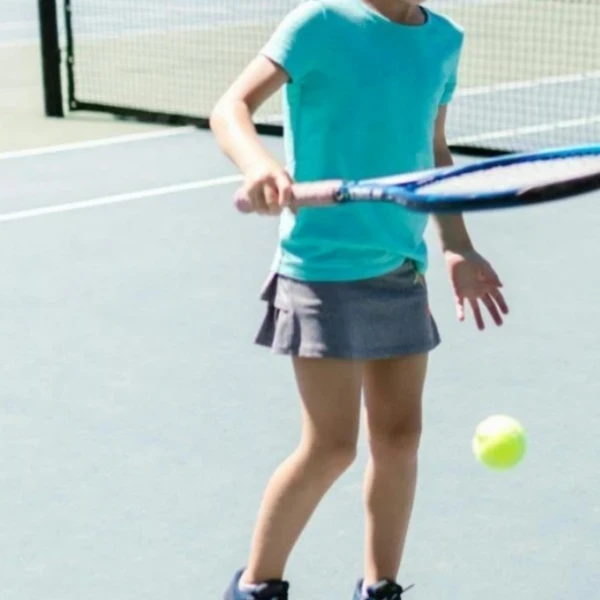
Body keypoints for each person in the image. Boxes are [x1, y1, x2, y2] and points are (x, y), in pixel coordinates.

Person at [210, 0, 508, 598]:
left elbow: (434, 148)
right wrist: (259, 164)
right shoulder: (319, 22)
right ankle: (255, 587)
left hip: (399, 266)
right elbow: (231, 108)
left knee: (399, 439)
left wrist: (455, 244)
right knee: (331, 446)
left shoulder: (443, 38)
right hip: (321, 271)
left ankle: (380, 588)